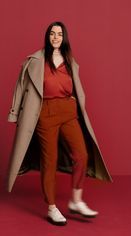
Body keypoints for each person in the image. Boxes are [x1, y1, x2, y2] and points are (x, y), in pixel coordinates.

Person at [7, 21, 112, 226]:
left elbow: (76, 87)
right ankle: (52, 207)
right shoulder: (34, 61)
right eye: (52, 34)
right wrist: (14, 114)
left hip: (68, 113)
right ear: (47, 36)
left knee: (81, 154)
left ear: (64, 38)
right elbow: (20, 87)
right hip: (45, 113)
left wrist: (73, 101)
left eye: (60, 34)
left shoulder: (70, 61)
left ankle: (76, 200)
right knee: (50, 161)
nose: (56, 37)